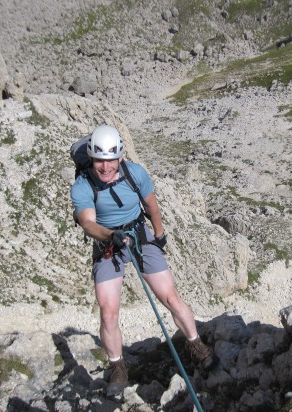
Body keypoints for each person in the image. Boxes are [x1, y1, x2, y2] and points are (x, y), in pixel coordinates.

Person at [70, 125, 217, 391]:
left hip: (139, 235)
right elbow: (87, 223)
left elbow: (151, 205)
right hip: (108, 244)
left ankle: (196, 343)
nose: (105, 167)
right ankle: (117, 367)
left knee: (170, 297)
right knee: (108, 311)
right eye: (100, 161)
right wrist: (109, 235)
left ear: (120, 158)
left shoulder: (134, 173)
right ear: (91, 160)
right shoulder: (82, 185)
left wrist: (159, 235)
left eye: (110, 160)